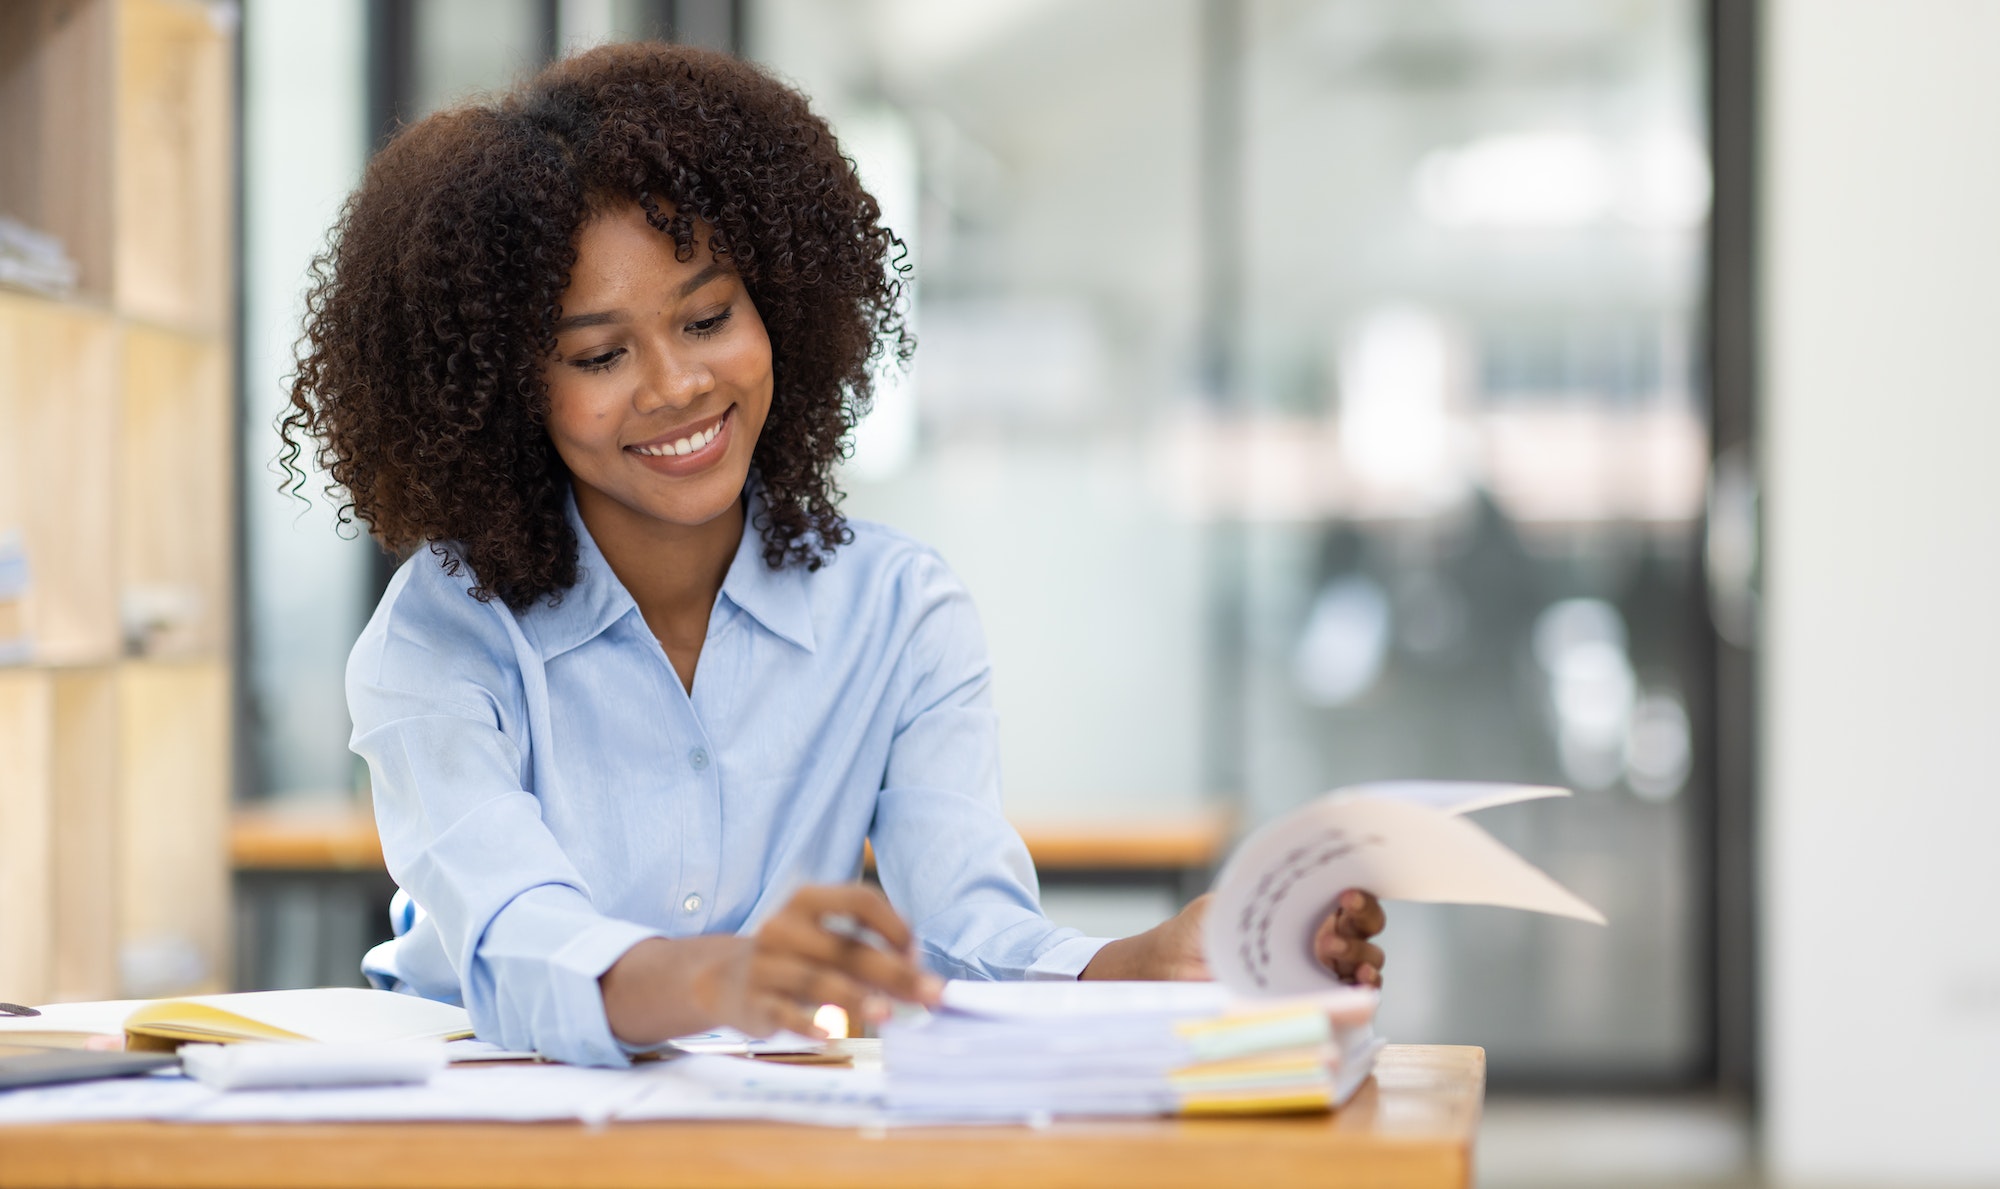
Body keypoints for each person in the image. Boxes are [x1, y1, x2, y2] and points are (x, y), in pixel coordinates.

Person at [282, 42, 1386, 1068]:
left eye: (707, 318)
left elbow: (963, 930)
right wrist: (728, 975)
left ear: (782, 312)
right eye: (601, 352)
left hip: (766, 1132)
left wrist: (1149, 965)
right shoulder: (441, 635)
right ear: (504, 390)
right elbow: (513, 940)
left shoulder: (897, 612)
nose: (674, 384)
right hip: (470, 1136)